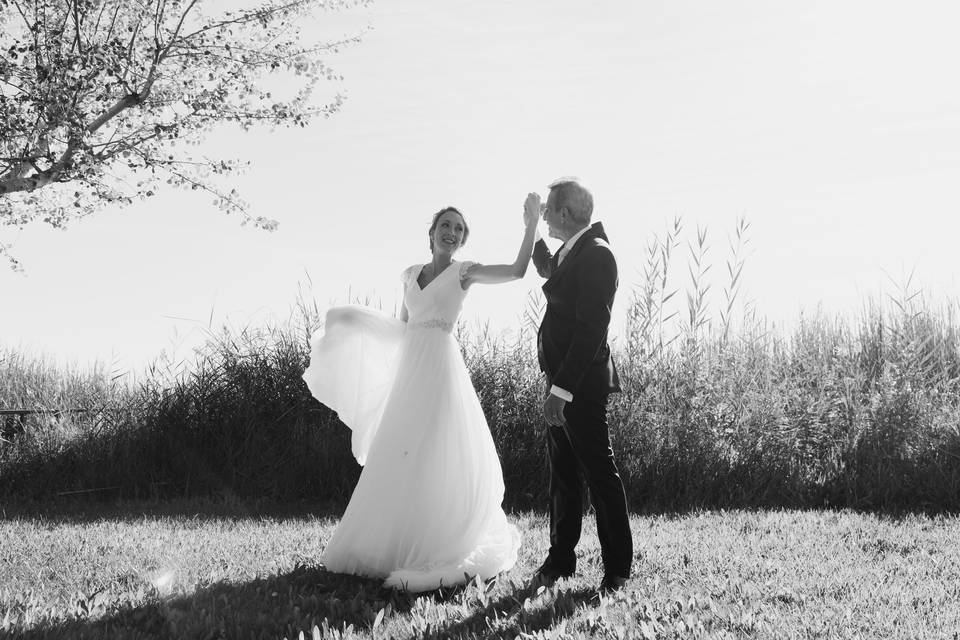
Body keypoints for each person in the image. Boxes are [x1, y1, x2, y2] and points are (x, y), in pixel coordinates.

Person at [302, 194, 542, 592]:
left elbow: (517, 271)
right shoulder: (409, 274)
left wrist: (531, 223)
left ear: (462, 241)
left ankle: (437, 540)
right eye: (445, 226)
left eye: (459, 229)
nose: (451, 232)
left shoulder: (464, 272)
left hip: (442, 370)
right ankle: (387, 544)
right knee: (398, 452)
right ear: (431, 234)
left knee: (437, 451)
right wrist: (354, 321)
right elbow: (401, 327)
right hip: (410, 373)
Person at [529, 177, 634, 594]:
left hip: (579, 386)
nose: (547, 217)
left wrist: (563, 389)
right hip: (561, 383)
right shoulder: (574, 252)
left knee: (599, 475)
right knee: (564, 476)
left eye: (548, 211)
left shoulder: (597, 255)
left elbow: (592, 329)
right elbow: (548, 268)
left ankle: (618, 570)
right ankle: (561, 559)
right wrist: (531, 228)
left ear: (566, 214)